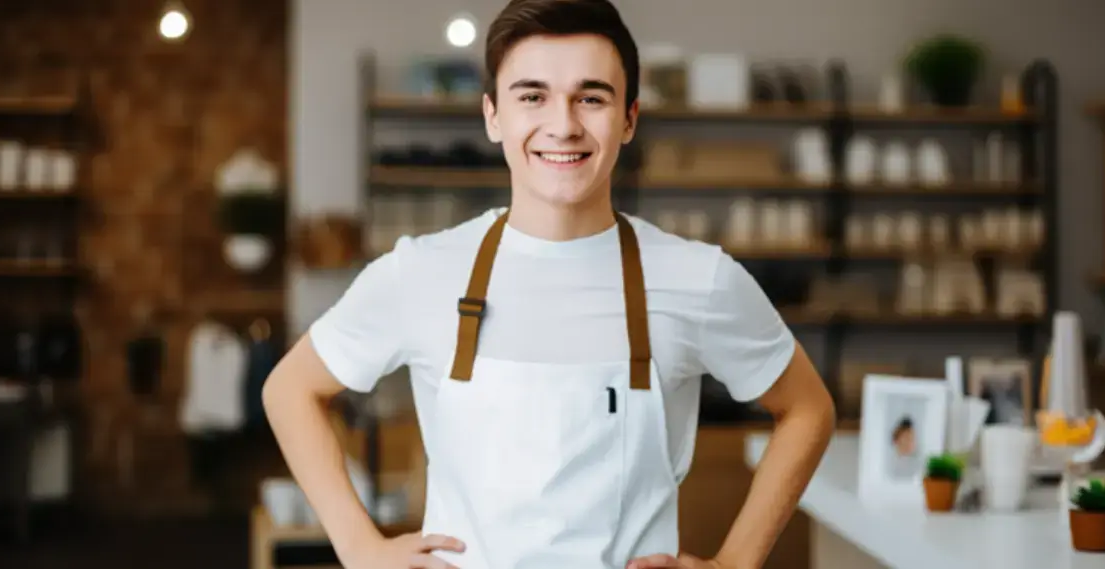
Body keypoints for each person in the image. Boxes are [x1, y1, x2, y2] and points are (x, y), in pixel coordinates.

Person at [262, 0, 836, 567]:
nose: (562, 126)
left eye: (591, 98)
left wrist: (736, 561)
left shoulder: (699, 278)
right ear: (493, 116)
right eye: (532, 96)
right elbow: (289, 390)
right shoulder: (420, 272)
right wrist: (359, 547)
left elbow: (809, 410)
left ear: (630, 118)